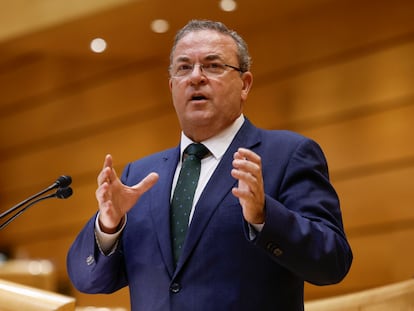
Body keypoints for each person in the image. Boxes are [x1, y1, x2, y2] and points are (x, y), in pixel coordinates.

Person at [67, 19, 353, 311]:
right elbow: (88, 279)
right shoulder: (139, 177)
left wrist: (264, 217)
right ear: (172, 87)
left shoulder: (287, 155)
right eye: (183, 68)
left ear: (244, 84)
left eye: (213, 66)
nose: (195, 77)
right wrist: (108, 225)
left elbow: (332, 262)